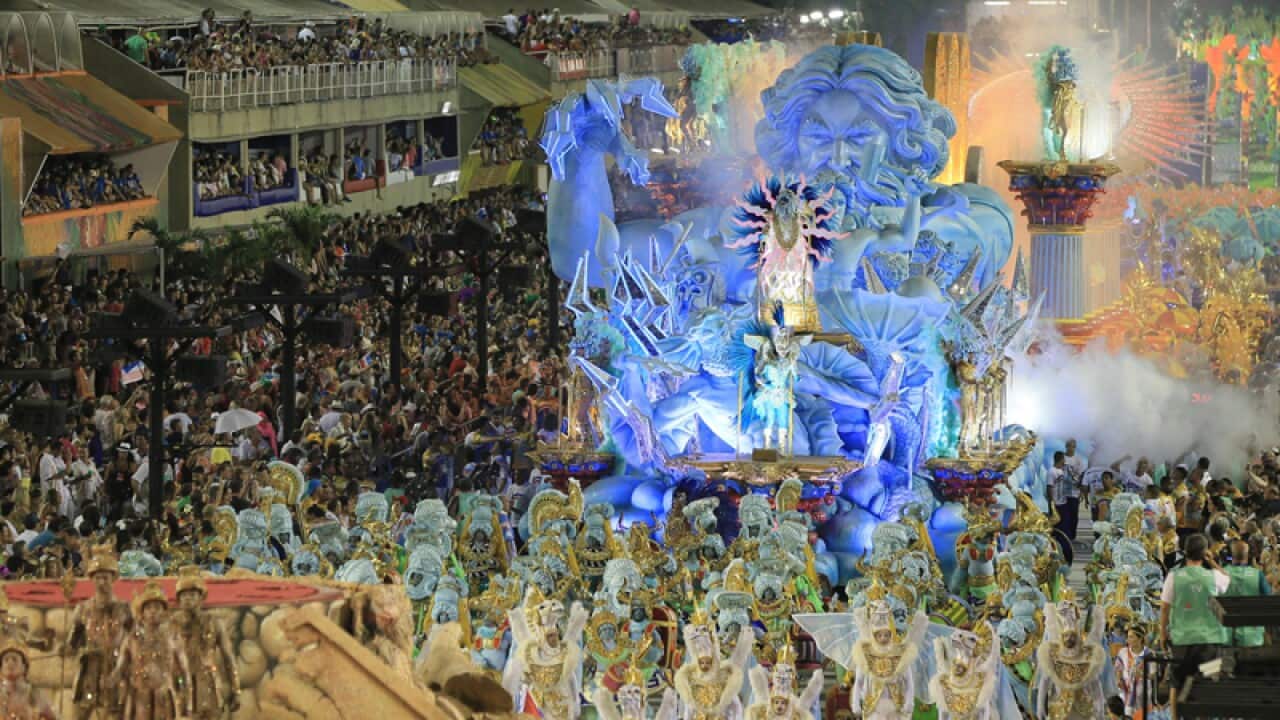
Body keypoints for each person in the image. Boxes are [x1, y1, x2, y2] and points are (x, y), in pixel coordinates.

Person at [1158, 533, 1229, 701]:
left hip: (1181, 641)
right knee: (1209, 682)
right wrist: (1212, 562)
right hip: (1210, 642)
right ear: (1205, 553)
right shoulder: (1214, 577)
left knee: (1177, 684)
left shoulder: (1174, 577)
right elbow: (1228, 578)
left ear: (1184, 551)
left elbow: (1165, 608)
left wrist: (1162, 633)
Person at [1223, 539, 1270, 647]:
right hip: (1253, 636)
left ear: (1231, 555)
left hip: (1226, 635)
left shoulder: (1221, 574)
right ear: (1248, 555)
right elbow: (1268, 599)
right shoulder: (1258, 575)